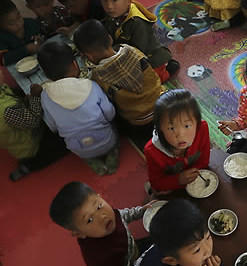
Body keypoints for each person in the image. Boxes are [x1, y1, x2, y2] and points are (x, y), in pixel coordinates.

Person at [49, 181, 155, 266]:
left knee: (158, 241)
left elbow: (123, 215)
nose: (102, 216)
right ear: (79, 233)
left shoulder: (107, 214)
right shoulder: (103, 256)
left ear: (101, 198)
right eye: (89, 220)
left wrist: (142, 211)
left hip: (129, 249)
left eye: (99, 206)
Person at [73, 19, 162, 146]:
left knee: (111, 117)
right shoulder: (132, 50)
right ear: (110, 39)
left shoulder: (97, 76)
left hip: (139, 124)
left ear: (88, 56)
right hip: (163, 106)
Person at [37, 41, 119, 176]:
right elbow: (110, 113)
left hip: (78, 149)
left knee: (80, 146)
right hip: (106, 141)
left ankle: (92, 162)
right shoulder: (90, 85)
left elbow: (53, 127)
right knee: (113, 129)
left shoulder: (45, 96)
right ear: (75, 64)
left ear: (46, 75)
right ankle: (112, 154)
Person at [0, 70, 68, 181]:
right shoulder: (4, 111)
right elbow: (33, 121)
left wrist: (25, 101)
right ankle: (28, 165)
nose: (1, 72)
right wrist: (35, 97)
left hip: (21, 131)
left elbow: (13, 103)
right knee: (65, 139)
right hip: (31, 145)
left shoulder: (2, 92)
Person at [144, 89, 210, 194]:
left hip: (196, 179)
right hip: (173, 186)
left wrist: (193, 173)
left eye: (187, 126)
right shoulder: (152, 151)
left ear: (196, 122)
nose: (180, 135)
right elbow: (157, 183)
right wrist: (178, 179)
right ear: (160, 128)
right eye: (171, 128)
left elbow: (204, 161)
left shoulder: (202, 129)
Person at [100, 0, 179, 83]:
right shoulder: (113, 15)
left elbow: (138, 51)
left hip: (148, 56)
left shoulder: (137, 22)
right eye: (105, 1)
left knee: (145, 84)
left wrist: (113, 51)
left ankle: (167, 71)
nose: (109, 6)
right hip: (125, 51)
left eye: (114, 1)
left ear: (128, 1)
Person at [0, 0, 43, 66]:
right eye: (12, 23)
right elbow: (3, 60)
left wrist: (39, 40)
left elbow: (43, 35)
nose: (18, 23)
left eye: (19, 17)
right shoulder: (2, 37)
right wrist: (27, 49)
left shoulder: (32, 23)